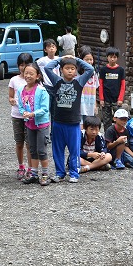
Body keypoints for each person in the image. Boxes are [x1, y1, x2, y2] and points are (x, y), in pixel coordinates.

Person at [41, 54, 94, 183]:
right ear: (61, 70)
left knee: (74, 149)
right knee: (57, 150)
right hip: (58, 122)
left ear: (76, 70)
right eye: (67, 68)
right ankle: (60, 173)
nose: (70, 71)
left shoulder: (79, 81)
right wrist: (61, 59)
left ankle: (74, 173)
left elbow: (90, 70)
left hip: (73, 122)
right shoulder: (57, 81)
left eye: (72, 68)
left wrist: (77, 60)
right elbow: (47, 68)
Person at [17, 62, 51, 185]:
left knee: (42, 150)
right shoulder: (21, 89)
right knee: (32, 149)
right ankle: (34, 173)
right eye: (26, 73)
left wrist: (33, 114)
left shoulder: (42, 90)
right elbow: (20, 105)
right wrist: (24, 112)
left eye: (31, 73)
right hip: (29, 124)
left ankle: (45, 174)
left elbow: (45, 109)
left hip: (41, 124)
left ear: (37, 76)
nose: (28, 76)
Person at [9, 53, 34, 180]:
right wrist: (12, 100)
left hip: (29, 116)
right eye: (21, 65)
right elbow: (10, 96)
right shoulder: (14, 80)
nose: (23, 68)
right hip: (17, 115)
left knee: (29, 144)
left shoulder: (34, 81)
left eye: (26, 65)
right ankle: (21, 166)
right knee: (19, 142)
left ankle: (30, 168)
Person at [98, 47, 126, 129]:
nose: (112, 59)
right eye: (111, 57)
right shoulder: (103, 70)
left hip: (116, 99)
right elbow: (101, 84)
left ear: (117, 58)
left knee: (119, 118)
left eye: (114, 57)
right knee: (106, 120)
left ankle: (118, 134)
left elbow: (123, 85)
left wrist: (120, 98)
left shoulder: (120, 70)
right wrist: (101, 99)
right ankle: (107, 137)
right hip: (106, 99)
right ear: (107, 57)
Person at [78, 46, 99, 122]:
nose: (89, 61)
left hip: (90, 103)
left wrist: (95, 105)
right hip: (80, 104)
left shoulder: (94, 73)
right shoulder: (77, 73)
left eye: (91, 59)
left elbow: (95, 90)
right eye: (86, 60)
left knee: (89, 125)